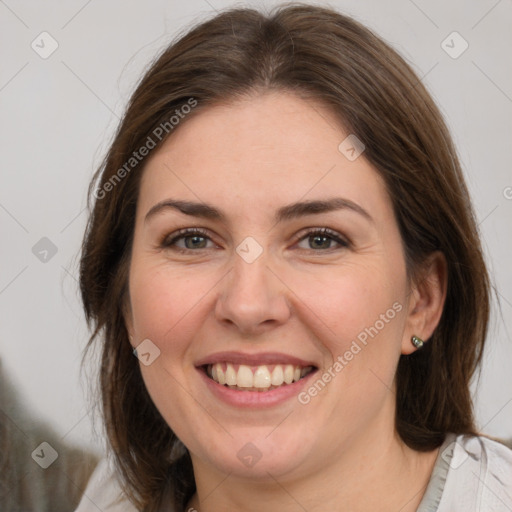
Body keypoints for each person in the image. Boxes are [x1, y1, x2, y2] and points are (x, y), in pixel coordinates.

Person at [75, 4, 512, 511]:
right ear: (126, 300)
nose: (247, 303)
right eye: (192, 240)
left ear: (422, 300)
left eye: (320, 239)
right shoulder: (110, 499)